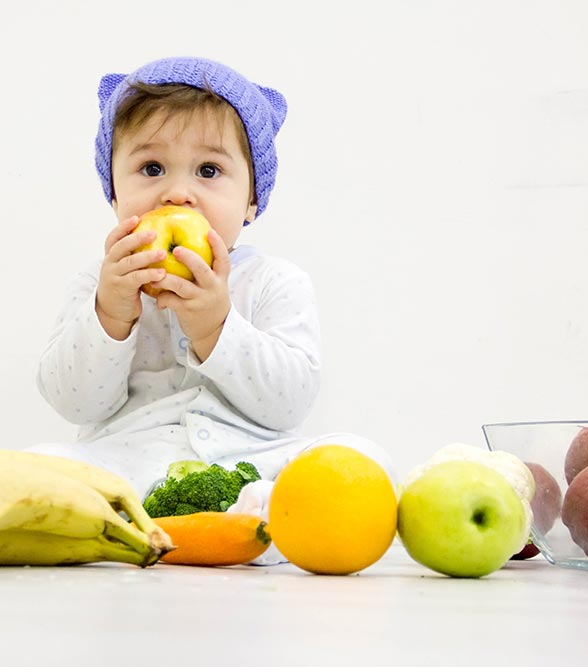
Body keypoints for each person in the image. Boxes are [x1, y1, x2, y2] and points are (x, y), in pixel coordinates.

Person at [27, 58, 393, 548]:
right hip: (129, 460)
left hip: (254, 457)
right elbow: (73, 402)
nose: (179, 194)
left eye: (209, 170)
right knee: (40, 464)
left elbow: (289, 404)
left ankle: (266, 511)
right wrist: (111, 314)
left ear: (251, 202)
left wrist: (217, 326)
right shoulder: (99, 282)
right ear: (114, 193)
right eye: (151, 168)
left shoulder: (274, 282)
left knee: (360, 456)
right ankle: (141, 525)